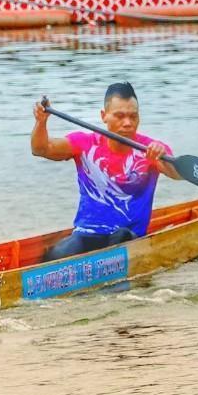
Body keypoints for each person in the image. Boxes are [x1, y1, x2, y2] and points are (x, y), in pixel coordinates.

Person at [31, 82, 180, 262]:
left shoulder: (151, 149)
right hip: (88, 235)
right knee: (55, 255)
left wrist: (162, 158)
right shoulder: (84, 144)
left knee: (121, 237)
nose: (127, 123)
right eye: (120, 116)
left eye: (133, 117)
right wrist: (41, 122)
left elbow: (177, 174)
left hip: (128, 239)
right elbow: (41, 149)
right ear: (104, 116)